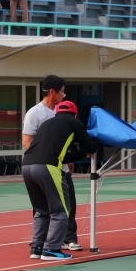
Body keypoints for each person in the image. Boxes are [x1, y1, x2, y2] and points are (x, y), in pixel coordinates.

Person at [23, 101, 98, 260]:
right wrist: (90, 148)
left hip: (27, 166)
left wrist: (79, 154)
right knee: (61, 211)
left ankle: (37, 247)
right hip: (47, 167)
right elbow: (91, 147)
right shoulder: (74, 122)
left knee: (41, 210)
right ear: (75, 115)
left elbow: (62, 157)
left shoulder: (47, 123)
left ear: (57, 113)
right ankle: (51, 249)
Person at [22, 75, 83, 251]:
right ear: (52, 92)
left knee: (68, 203)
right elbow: (27, 141)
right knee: (43, 206)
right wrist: (42, 158)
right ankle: (43, 242)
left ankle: (68, 238)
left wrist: (66, 159)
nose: (64, 95)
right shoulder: (35, 113)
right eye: (62, 92)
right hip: (45, 166)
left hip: (61, 165)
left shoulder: (62, 111)